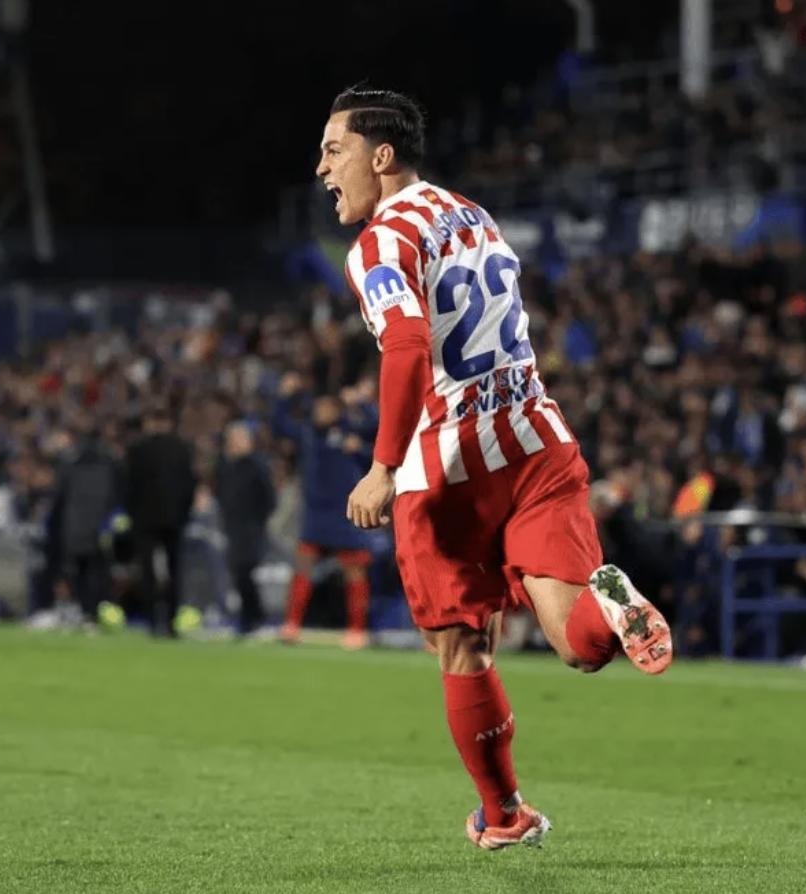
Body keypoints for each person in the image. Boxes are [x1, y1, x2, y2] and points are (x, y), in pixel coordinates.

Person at [317, 86, 672, 850]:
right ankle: (613, 601)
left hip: (451, 469)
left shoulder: (379, 243)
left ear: (381, 157)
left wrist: (382, 466)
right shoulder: (473, 214)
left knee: (462, 647)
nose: (322, 168)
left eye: (333, 150)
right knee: (578, 643)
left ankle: (504, 815)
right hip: (537, 440)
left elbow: (407, 346)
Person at [274, 376, 378, 648]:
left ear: (337, 411)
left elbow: (379, 429)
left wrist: (362, 403)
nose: (321, 412)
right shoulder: (307, 434)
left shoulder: (351, 432)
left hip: (346, 514)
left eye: (327, 408)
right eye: (319, 408)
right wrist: (287, 396)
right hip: (315, 515)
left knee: (354, 572)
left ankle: (357, 631)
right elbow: (279, 424)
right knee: (303, 568)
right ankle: (291, 625)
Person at [124, 406, 196, 638]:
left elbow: (128, 486)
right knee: (175, 571)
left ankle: (152, 622)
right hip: (174, 519)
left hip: (144, 519)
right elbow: (189, 485)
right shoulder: (182, 449)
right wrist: (184, 514)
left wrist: (132, 515)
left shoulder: (138, 450)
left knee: (148, 572)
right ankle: (172, 623)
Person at [51, 427, 122, 625]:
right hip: (100, 529)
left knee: (80, 572)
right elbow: (115, 497)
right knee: (98, 572)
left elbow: (58, 498)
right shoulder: (109, 466)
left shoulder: (70, 466)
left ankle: (85, 611)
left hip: (76, 529)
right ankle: (97, 611)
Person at [216, 420, 275, 635]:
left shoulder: (256, 466)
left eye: (241, 438)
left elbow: (269, 499)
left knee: (244, 573)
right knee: (238, 573)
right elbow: (221, 494)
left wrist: (257, 522)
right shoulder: (225, 466)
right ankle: (251, 616)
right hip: (232, 527)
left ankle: (252, 617)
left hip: (250, 529)